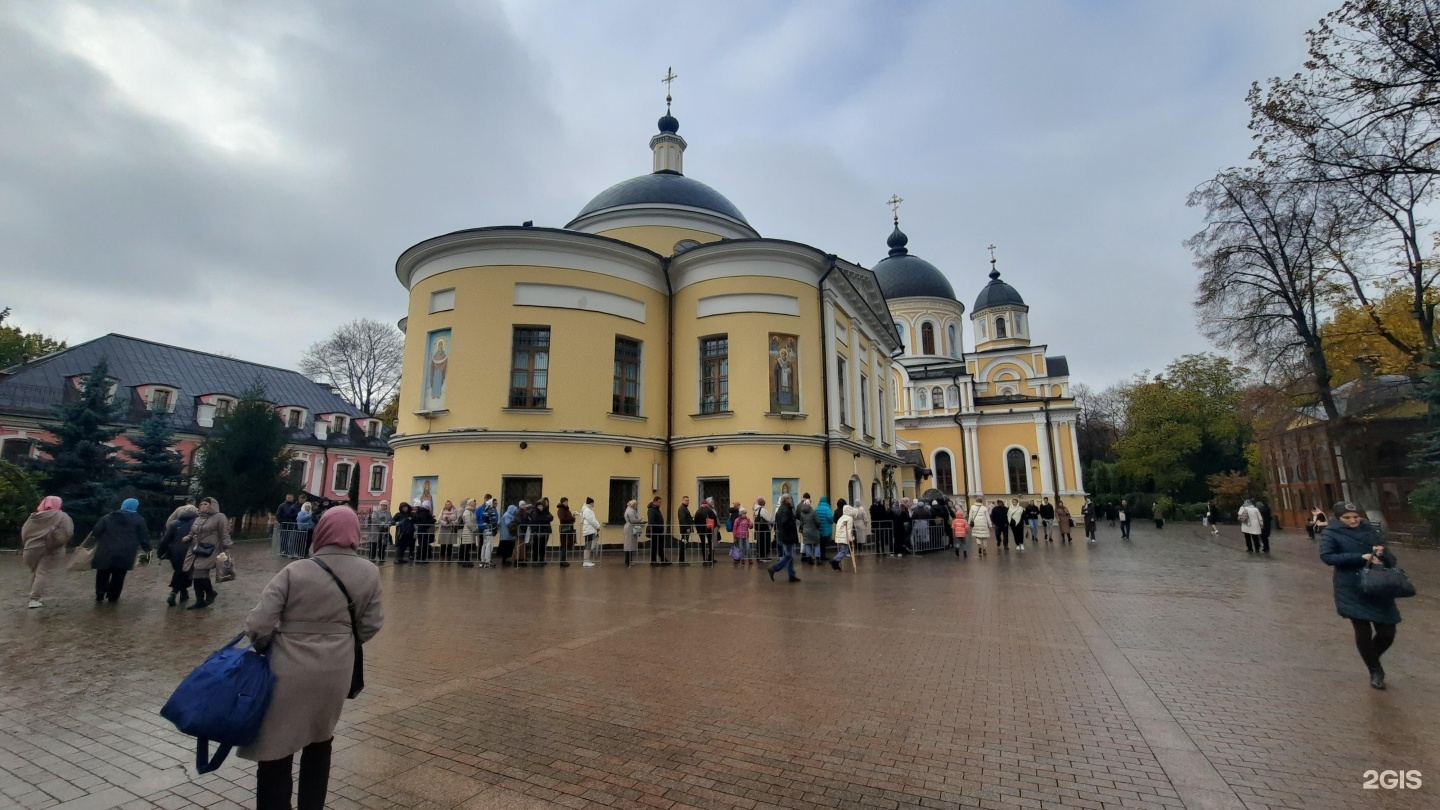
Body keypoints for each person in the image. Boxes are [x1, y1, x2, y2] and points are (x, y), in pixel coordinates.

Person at [241, 506, 383, 810]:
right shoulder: (370, 572)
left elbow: (258, 624)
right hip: (336, 669)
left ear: (322, 532)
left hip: (287, 666)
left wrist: (268, 645)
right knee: (320, 740)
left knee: (276, 746)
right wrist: (343, 640)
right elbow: (371, 624)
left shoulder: (296, 570)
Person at [1319, 502, 1402, 689]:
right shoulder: (1331, 533)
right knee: (1363, 630)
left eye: (1355, 517)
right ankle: (1375, 670)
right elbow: (1327, 557)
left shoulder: (1370, 530)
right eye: (1347, 518)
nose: (1353, 520)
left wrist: (1382, 554)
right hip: (1351, 587)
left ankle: (1371, 657)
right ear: (1339, 518)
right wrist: (1360, 557)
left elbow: (1390, 557)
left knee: (1388, 632)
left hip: (1377, 585)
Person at [83, 497, 150, 603]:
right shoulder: (139, 520)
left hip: (105, 550)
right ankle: (113, 596)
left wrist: (88, 545)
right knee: (119, 575)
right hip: (126, 552)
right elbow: (144, 537)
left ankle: (100, 593)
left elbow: (96, 532)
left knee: (102, 572)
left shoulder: (107, 517)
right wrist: (147, 550)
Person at [21, 495, 72, 608]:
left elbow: (24, 532)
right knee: (42, 573)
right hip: (51, 549)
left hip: (30, 549)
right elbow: (68, 532)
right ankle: (34, 599)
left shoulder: (33, 517)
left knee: (36, 573)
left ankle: (34, 595)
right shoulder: (62, 516)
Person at [183, 497, 232, 610]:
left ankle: (210, 593)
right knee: (196, 574)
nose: (202, 506)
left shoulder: (220, 517)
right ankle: (200, 600)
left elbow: (224, 533)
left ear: (212, 505)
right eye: (201, 504)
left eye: (205, 504)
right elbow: (193, 532)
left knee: (200, 571)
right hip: (196, 549)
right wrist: (188, 537)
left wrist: (227, 547)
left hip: (211, 549)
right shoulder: (198, 518)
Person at [157, 504, 198, 606]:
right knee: (184, 572)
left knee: (180, 571)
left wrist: (160, 553)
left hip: (175, 552)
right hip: (192, 551)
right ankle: (174, 593)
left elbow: (165, 540)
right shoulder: (198, 524)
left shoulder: (174, 523)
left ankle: (183, 593)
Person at [768, 495, 800, 582]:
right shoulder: (785, 509)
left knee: (790, 556)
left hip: (784, 535)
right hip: (787, 535)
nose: (791, 500)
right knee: (789, 555)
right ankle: (774, 568)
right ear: (785, 500)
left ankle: (791, 575)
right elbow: (784, 522)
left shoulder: (781, 509)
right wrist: (793, 523)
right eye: (789, 498)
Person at [829, 504, 856, 570]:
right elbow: (849, 529)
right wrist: (850, 538)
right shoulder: (849, 518)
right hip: (844, 537)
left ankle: (836, 564)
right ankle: (834, 561)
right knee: (844, 552)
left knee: (842, 551)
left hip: (839, 537)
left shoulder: (841, 517)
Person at [797, 494, 819, 563]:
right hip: (814, 530)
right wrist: (818, 526)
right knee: (817, 544)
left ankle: (809, 557)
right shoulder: (813, 512)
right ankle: (817, 557)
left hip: (805, 530)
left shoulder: (802, 513)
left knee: (807, 544)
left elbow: (802, 522)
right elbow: (817, 521)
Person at [555, 497, 576, 567]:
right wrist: (571, 518)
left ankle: (563, 560)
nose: (566, 503)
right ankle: (562, 561)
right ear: (562, 503)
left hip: (568, 528)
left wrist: (572, 518)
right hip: (564, 529)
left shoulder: (566, 510)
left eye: (567, 502)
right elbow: (562, 518)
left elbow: (568, 518)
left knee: (565, 545)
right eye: (565, 502)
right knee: (563, 545)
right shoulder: (561, 510)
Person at [581, 496, 601, 568]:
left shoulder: (586, 510)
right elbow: (591, 520)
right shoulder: (588, 510)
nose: (594, 504)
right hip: (589, 530)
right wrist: (598, 526)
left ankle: (587, 560)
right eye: (593, 503)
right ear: (591, 503)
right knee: (588, 545)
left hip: (589, 530)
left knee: (589, 545)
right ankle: (586, 561)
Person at [647, 496, 668, 564]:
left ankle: (663, 559)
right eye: (659, 502)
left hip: (658, 531)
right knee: (655, 546)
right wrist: (658, 527)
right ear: (655, 502)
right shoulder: (651, 510)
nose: (660, 503)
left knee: (659, 546)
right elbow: (651, 521)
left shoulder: (656, 509)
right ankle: (653, 561)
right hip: (655, 531)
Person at [479, 495, 499, 567]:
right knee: (489, 545)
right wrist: (494, 530)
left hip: (485, 530)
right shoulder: (491, 511)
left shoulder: (485, 510)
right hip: (490, 530)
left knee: (484, 545)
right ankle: (487, 561)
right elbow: (493, 521)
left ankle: (482, 560)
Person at [458, 499, 478, 568]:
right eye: (474, 504)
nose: (475, 505)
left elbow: (474, 521)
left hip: (470, 532)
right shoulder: (467, 512)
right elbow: (468, 522)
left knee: (468, 547)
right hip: (467, 532)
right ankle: (465, 561)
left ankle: (467, 560)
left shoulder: (472, 512)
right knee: (466, 547)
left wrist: (475, 528)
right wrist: (474, 529)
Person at [623, 499, 641, 566]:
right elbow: (633, 520)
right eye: (636, 504)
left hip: (629, 527)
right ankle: (628, 560)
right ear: (633, 505)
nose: (636, 506)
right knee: (629, 544)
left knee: (629, 544)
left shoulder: (628, 510)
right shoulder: (631, 511)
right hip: (630, 528)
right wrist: (640, 520)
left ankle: (629, 560)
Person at [815, 496, 834, 561]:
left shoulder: (816, 509)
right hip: (825, 529)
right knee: (823, 544)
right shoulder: (827, 509)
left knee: (819, 543)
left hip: (818, 529)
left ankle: (819, 555)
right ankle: (823, 555)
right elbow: (830, 519)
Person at [677, 495, 694, 565]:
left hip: (686, 529)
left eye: (688, 500)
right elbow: (682, 519)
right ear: (682, 500)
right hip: (685, 530)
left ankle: (682, 560)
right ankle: (681, 560)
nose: (687, 502)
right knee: (683, 544)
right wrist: (686, 527)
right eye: (686, 500)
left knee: (684, 544)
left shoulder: (684, 508)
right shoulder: (682, 509)